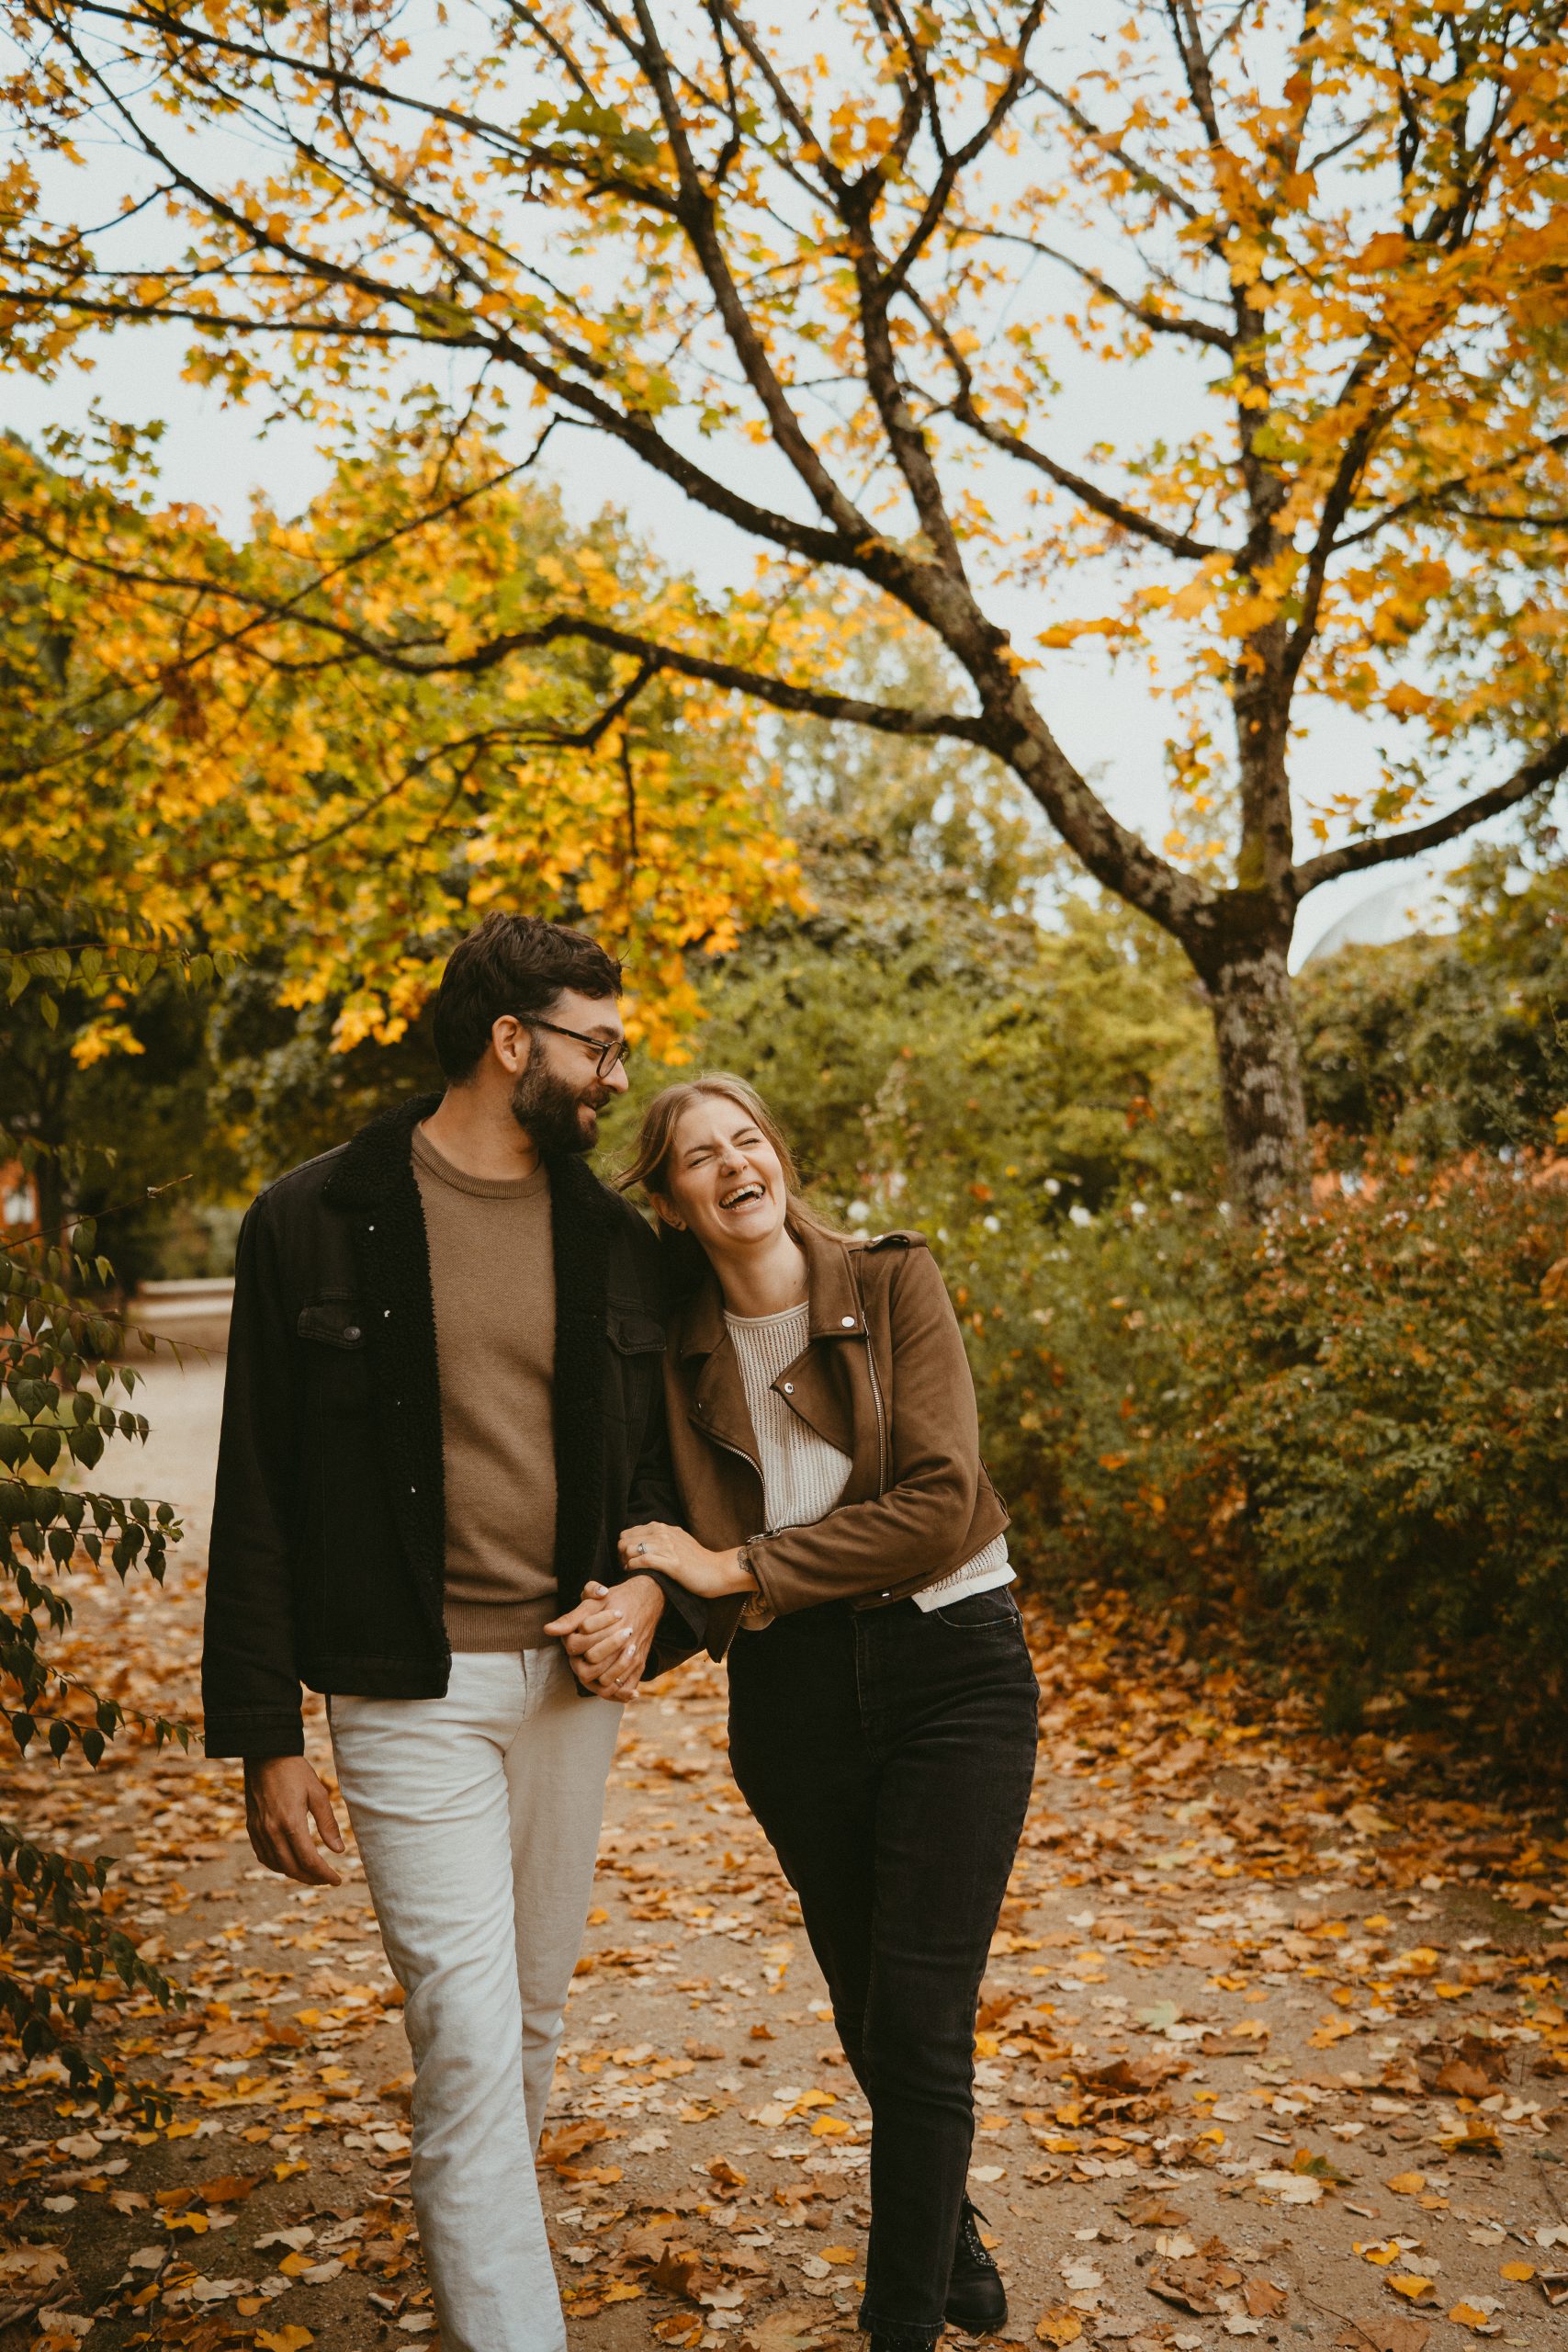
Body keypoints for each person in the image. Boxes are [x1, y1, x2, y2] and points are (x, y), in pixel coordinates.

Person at [201, 911, 699, 2352]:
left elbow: (667, 1473)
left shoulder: (614, 1239)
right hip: (401, 1691)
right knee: (470, 2035)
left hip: (566, 1688)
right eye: (597, 1046)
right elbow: (261, 1485)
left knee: (527, 2021)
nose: (615, 1076)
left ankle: (486, 2269)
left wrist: (656, 1601)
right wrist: (263, 1737)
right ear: (510, 1042)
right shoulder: (312, 1218)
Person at [598, 1073, 1040, 2352]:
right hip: (789, 1699)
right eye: (698, 1156)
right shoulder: (675, 1352)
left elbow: (942, 1503)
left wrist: (740, 1569)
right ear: (674, 1203)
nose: (734, 1163)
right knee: (865, 1997)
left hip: (954, 1664)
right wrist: (634, 1605)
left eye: (748, 1140)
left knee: (917, 2010)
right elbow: (654, 1533)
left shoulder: (895, 1284)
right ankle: (941, 2219)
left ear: (779, 1158)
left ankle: (896, 2317)